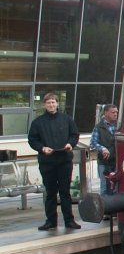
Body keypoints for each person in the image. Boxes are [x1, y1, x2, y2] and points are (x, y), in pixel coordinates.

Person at [27, 92, 81, 230]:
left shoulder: (67, 119)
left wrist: (70, 144)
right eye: (48, 102)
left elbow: (74, 135)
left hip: (64, 161)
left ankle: (69, 220)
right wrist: (42, 148)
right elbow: (32, 140)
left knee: (65, 192)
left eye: (53, 102)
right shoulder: (37, 122)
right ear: (44, 105)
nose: (51, 105)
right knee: (50, 193)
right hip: (47, 162)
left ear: (57, 104)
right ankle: (51, 221)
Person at [90, 104, 118, 195]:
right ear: (106, 113)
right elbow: (93, 143)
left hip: (117, 162)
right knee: (105, 188)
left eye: (116, 112)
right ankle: (106, 208)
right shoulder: (98, 127)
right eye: (113, 112)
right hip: (104, 162)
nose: (115, 114)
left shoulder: (119, 126)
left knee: (117, 187)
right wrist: (102, 149)